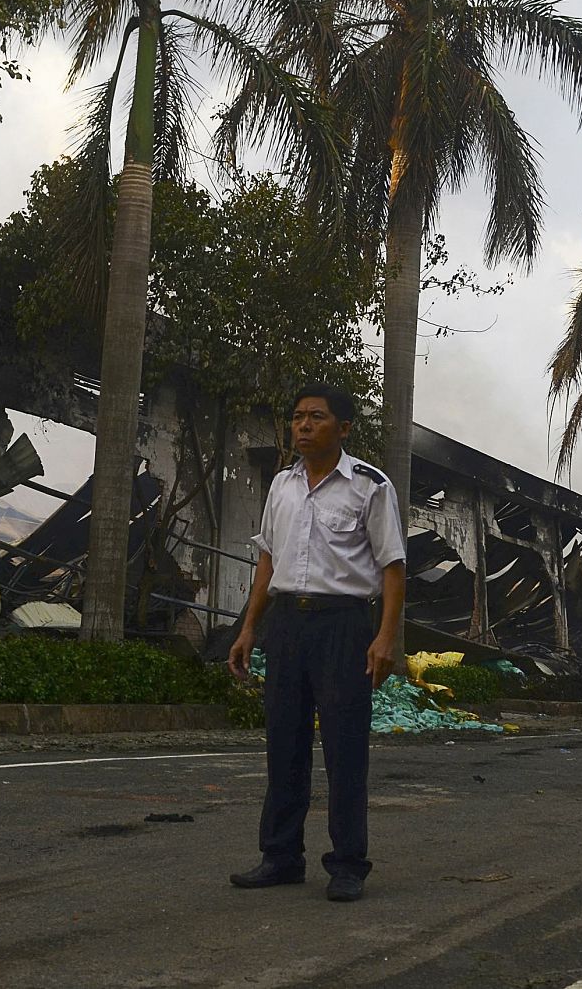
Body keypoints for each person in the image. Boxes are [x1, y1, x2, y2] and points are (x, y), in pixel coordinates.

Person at [227, 384, 406, 904]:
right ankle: (281, 857)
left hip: (343, 627)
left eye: (317, 417)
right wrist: (248, 627)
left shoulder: (369, 487)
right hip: (287, 625)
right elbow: (268, 561)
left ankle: (348, 864)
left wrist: (384, 639)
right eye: (298, 416)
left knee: (345, 749)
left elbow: (393, 567)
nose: (303, 425)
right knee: (284, 744)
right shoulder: (281, 486)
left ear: (344, 428)